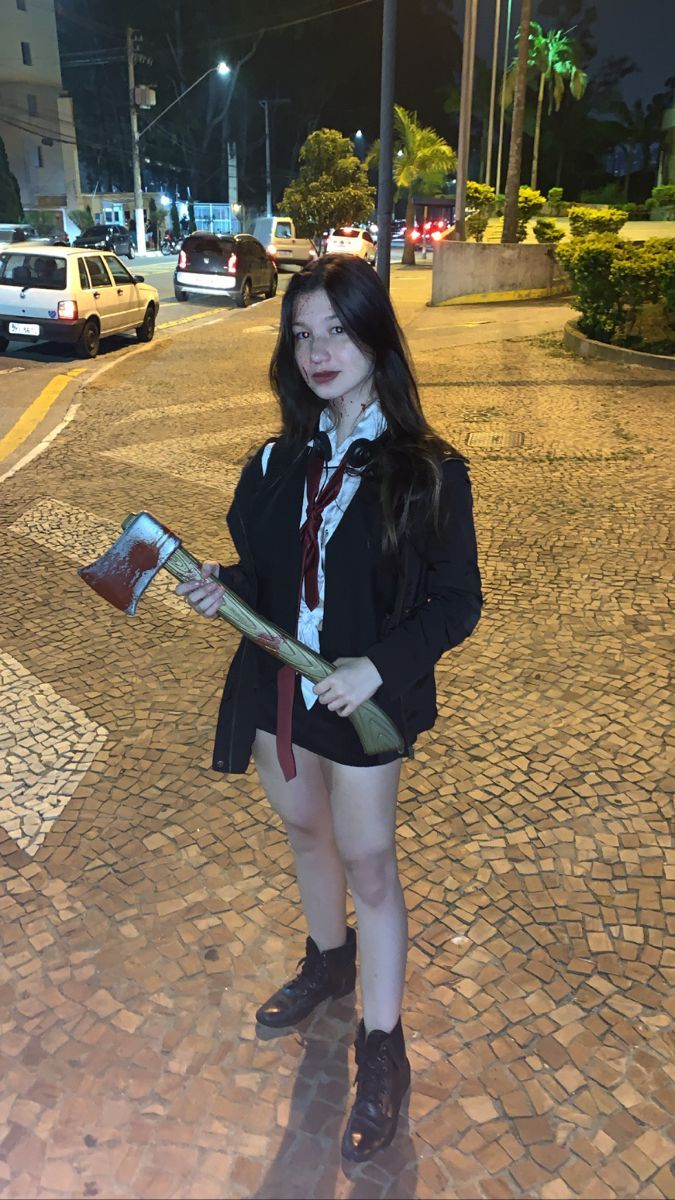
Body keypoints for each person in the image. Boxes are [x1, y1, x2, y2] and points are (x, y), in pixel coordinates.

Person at [176, 254, 482, 1162]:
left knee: (370, 861)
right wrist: (219, 586)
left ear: (375, 337)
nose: (318, 351)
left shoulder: (426, 472)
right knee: (306, 837)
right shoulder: (276, 459)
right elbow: (270, 577)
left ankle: (381, 1051)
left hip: (358, 703)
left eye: (337, 331)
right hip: (275, 689)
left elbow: (455, 601)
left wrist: (377, 668)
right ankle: (328, 959)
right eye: (301, 334)